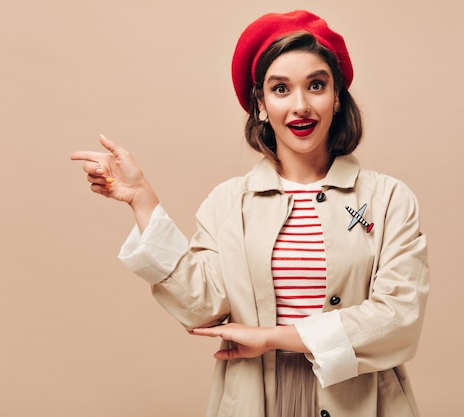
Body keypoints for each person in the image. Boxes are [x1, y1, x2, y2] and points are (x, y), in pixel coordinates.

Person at [71, 10, 429, 417]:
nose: (301, 106)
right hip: (254, 398)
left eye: (316, 85)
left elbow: (399, 319)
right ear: (260, 103)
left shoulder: (389, 199)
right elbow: (202, 307)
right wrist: (142, 201)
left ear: (337, 96)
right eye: (281, 89)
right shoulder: (228, 203)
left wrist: (274, 337)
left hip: (363, 400)